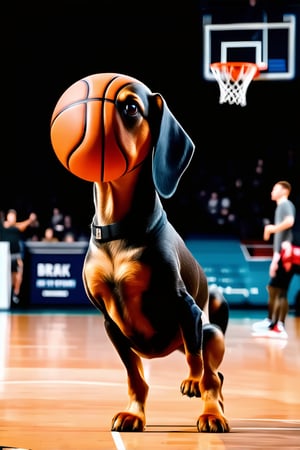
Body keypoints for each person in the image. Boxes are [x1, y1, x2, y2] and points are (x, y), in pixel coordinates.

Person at [252, 181, 296, 339]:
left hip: (286, 254)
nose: (272, 191)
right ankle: (273, 323)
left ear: (284, 191)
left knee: (277, 289)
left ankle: (276, 325)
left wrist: (271, 228)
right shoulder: (280, 207)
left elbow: (290, 222)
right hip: (283, 254)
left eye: (274, 188)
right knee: (276, 289)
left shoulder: (285, 204)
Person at [0, 209, 38, 304]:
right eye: (10, 216)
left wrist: (30, 220)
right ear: (7, 217)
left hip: (16, 255)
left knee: (18, 275)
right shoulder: (3, 226)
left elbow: (22, 226)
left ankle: (15, 294)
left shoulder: (17, 227)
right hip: (5, 256)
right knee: (8, 277)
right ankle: (8, 295)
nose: (12, 218)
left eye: (13, 216)